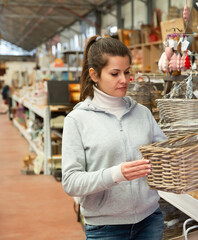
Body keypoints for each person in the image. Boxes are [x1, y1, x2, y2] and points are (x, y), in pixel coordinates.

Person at [61, 35, 167, 240]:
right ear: (94, 74)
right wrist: (116, 174)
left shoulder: (142, 113)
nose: (124, 80)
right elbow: (71, 182)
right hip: (106, 228)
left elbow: (165, 153)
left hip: (149, 219)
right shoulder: (77, 120)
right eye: (115, 73)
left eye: (127, 72)